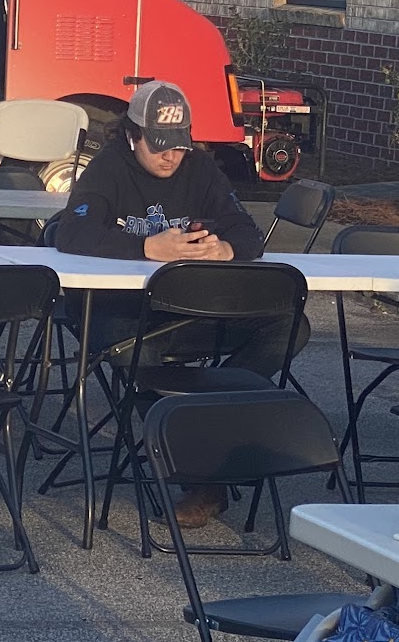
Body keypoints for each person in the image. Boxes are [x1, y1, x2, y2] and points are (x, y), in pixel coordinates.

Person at [52, 79, 307, 526]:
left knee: (289, 326)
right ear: (132, 136)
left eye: (179, 145)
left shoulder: (201, 169)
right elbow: (72, 233)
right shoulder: (108, 168)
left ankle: (204, 416)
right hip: (121, 314)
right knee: (138, 355)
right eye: (159, 145)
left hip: (193, 310)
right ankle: (203, 471)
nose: (171, 155)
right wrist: (148, 248)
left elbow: (247, 231)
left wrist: (224, 249)